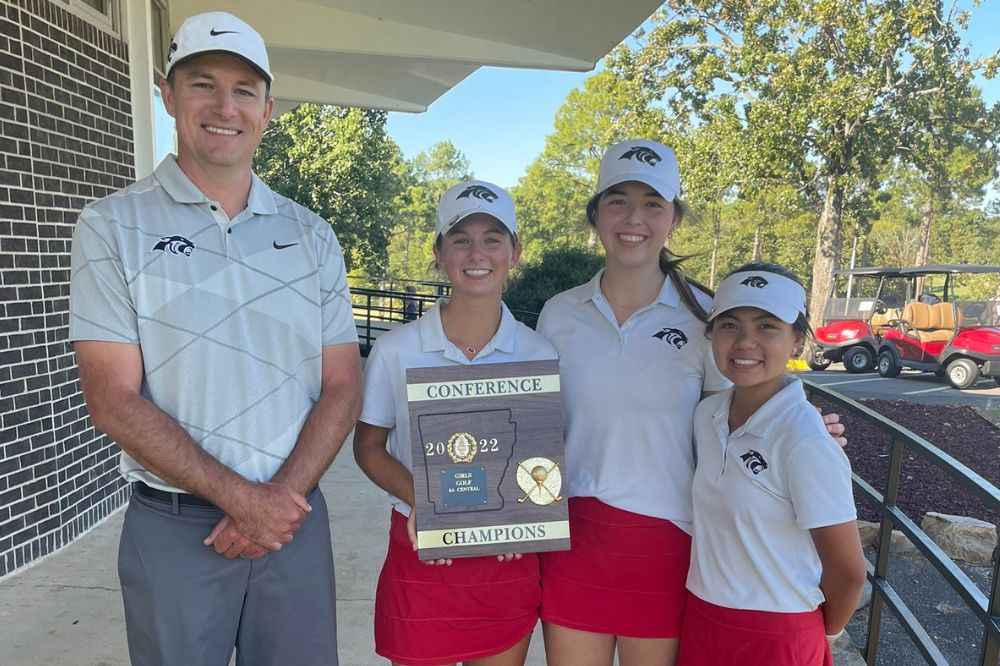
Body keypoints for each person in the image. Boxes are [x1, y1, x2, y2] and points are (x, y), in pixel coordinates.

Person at [68, 12, 361, 666]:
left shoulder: (311, 235)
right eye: (203, 84)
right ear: (168, 97)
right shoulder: (111, 227)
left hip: (293, 528)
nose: (224, 106)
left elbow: (342, 384)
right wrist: (243, 502)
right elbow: (111, 398)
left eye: (244, 90)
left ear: (267, 108)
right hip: (175, 536)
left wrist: (274, 506)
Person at [535, 139, 845, 666]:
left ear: (673, 217)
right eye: (618, 200)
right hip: (571, 539)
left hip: (670, 546)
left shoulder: (709, 316)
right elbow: (538, 431)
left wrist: (805, 430)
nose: (634, 218)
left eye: (653, 203)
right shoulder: (558, 313)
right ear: (595, 214)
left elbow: (745, 410)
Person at [353, 180, 557, 666]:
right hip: (422, 546)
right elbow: (368, 447)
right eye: (460, 239)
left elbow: (538, 460)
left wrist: (524, 515)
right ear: (439, 253)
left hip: (506, 561)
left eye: (493, 238)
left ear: (515, 252)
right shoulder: (396, 349)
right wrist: (421, 500)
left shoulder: (538, 351)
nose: (477, 253)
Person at [678, 263, 866, 665]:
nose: (745, 342)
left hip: (777, 634)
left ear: (797, 341)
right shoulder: (706, 416)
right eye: (729, 326)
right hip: (702, 619)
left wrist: (821, 633)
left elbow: (849, 573)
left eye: (767, 327)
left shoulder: (807, 440)